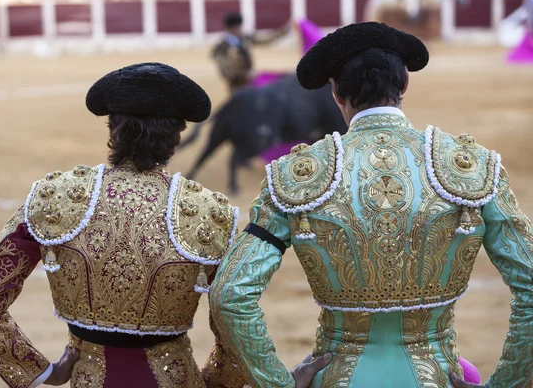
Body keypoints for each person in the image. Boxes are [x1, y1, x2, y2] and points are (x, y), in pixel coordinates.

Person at [0, 62, 330, 388]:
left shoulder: (56, 199)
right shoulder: (208, 214)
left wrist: (42, 371)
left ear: (112, 128)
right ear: (178, 134)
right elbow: (232, 322)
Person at [210, 22, 533, 387]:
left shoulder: (295, 177)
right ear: (405, 84)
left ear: (335, 93)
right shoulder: (472, 167)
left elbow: (230, 295)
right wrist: (506, 383)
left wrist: (278, 384)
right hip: (438, 375)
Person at [212, 12, 290, 94]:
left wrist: (283, 32)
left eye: (239, 26)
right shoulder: (222, 48)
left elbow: (264, 40)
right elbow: (225, 71)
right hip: (236, 85)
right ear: (229, 28)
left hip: (249, 83)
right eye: (236, 27)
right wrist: (244, 76)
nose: (239, 29)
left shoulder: (243, 38)